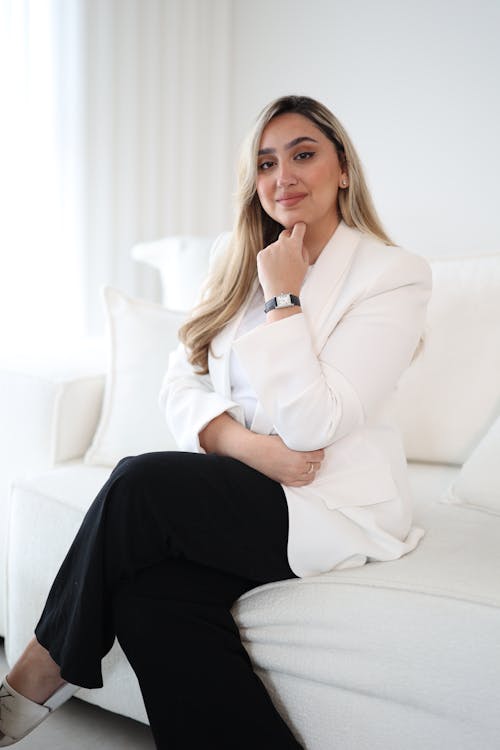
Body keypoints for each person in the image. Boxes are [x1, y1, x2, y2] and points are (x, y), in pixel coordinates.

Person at [0, 94, 432, 749]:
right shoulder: (237, 260)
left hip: (327, 502)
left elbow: (318, 423)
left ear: (343, 167)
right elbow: (181, 380)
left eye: (303, 154)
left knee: (140, 483)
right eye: (265, 162)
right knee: (148, 598)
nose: (282, 175)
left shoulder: (391, 275)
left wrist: (286, 299)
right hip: (252, 481)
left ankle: (36, 673)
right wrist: (245, 446)